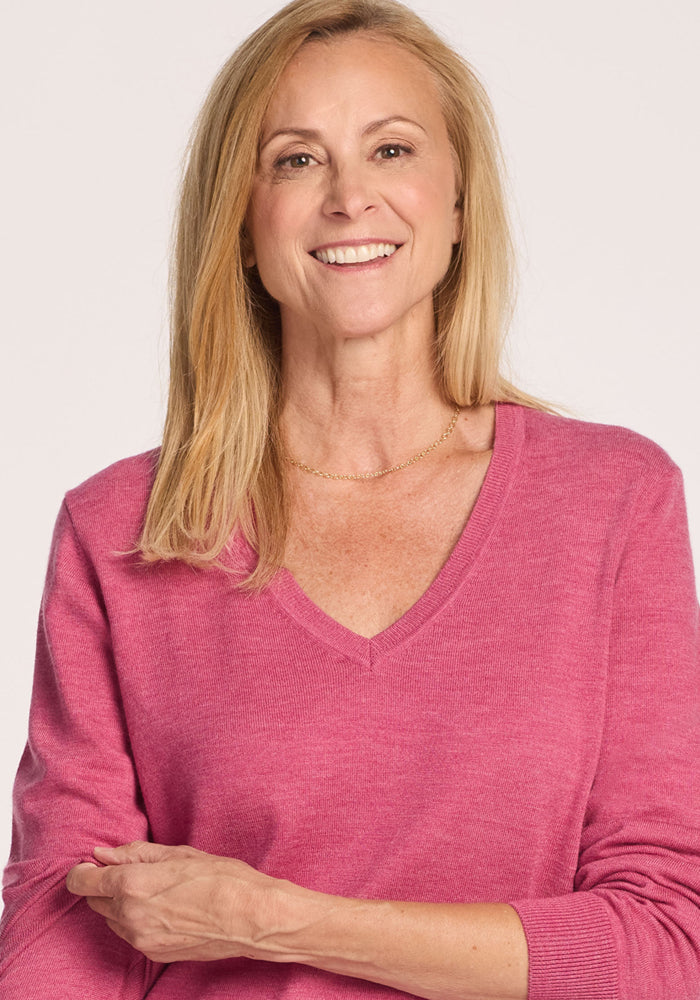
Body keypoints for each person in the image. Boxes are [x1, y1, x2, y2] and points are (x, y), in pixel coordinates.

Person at [1, 0, 699, 996]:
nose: (347, 198)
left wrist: (281, 922)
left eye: (392, 149)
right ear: (242, 225)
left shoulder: (615, 503)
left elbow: (667, 946)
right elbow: (55, 942)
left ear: (459, 203)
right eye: (295, 159)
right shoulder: (118, 529)